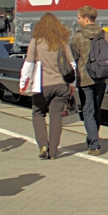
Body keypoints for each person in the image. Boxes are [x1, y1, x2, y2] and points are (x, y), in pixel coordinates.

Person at [70, 6, 108, 156]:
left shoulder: (77, 37)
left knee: (88, 111)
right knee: (96, 109)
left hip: (85, 79)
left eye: (79, 18)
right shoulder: (106, 35)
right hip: (102, 77)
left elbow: (73, 59)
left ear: (86, 19)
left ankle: (94, 144)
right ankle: (93, 138)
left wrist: (70, 81)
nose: (77, 20)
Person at [26, 13, 76, 160]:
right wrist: (72, 84)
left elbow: (28, 64)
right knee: (56, 117)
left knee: (38, 113)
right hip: (61, 85)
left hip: (41, 86)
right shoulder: (62, 42)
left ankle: (43, 144)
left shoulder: (35, 42)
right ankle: (53, 152)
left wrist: (24, 84)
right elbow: (71, 64)